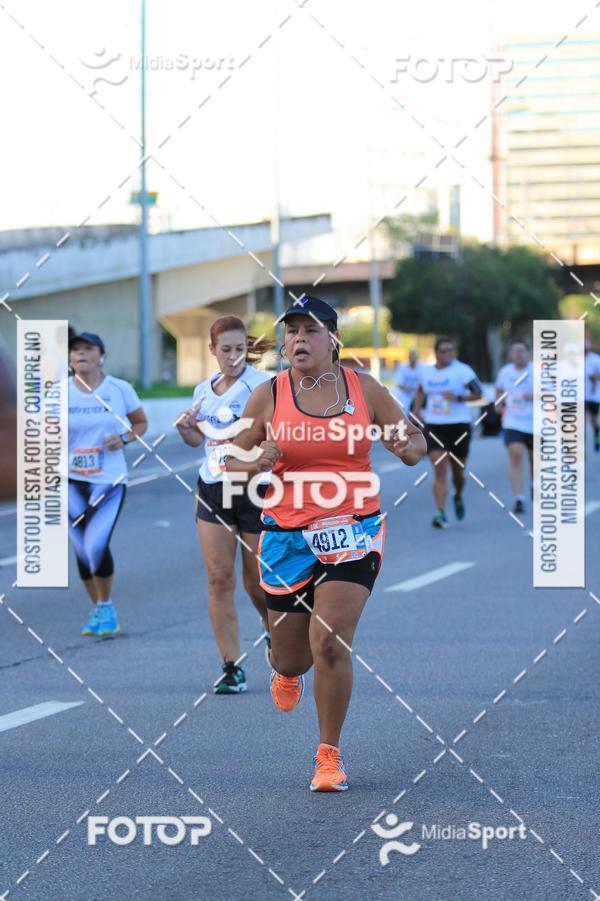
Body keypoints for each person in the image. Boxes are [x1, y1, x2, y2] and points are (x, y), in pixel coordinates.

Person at [225, 296, 426, 791]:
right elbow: (230, 463)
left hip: (353, 530)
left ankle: (328, 756)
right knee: (294, 656)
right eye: (290, 332)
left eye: (310, 331)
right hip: (286, 536)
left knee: (330, 642)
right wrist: (256, 462)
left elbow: (415, 442)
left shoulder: (365, 390)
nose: (298, 340)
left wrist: (406, 447)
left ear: (332, 340)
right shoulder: (269, 396)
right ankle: (285, 669)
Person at [176, 316, 274, 695]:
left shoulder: (262, 386)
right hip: (214, 487)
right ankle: (231, 666)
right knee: (219, 578)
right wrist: (188, 429)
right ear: (212, 350)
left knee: (257, 584)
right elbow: (196, 441)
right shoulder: (204, 389)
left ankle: (271, 630)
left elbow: (272, 435)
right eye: (226, 350)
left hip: (252, 488)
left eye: (239, 349)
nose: (233, 357)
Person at [68, 332, 147, 636]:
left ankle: (106, 605)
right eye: (75, 350)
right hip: (70, 480)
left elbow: (141, 423)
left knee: (95, 544)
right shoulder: (59, 392)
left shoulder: (119, 389)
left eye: (88, 349)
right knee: (81, 551)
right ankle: (99, 607)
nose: (81, 354)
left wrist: (123, 438)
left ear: (102, 356)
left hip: (108, 480)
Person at [413, 337, 482, 529]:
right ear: (436, 353)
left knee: (458, 473)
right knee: (439, 468)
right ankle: (440, 512)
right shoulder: (426, 372)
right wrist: (417, 411)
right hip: (435, 426)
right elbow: (420, 392)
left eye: (451, 350)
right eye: (444, 350)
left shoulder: (463, 370)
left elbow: (479, 393)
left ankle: (458, 495)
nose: (448, 354)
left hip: (459, 426)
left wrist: (458, 397)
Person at [495, 339, 534, 514]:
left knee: (535, 460)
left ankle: (535, 484)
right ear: (511, 354)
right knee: (516, 455)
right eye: (515, 351)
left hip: (537, 423)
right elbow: (499, 389)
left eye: (522, 350)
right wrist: (498, 403)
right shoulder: (505, 372)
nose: (518, 354)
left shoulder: (539, 371)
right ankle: (519, 498)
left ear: (528, 353)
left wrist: (535, 394)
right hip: (513, 421)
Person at [393, 348, 423, 414]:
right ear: (408, 357)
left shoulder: (423, 367)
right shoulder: (402, 367)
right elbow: (399, 384)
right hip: (405, 394)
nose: (413, 359)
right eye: (411, 357)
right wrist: (409, 390)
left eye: (414, 357)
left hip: (419, 393)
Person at [585, 333, 600, 453]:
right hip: (580, 396)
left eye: (586, 342)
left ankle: (596, 436)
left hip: (594, 396)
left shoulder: (595, 359)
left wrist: (595, 377)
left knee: (593, 419)